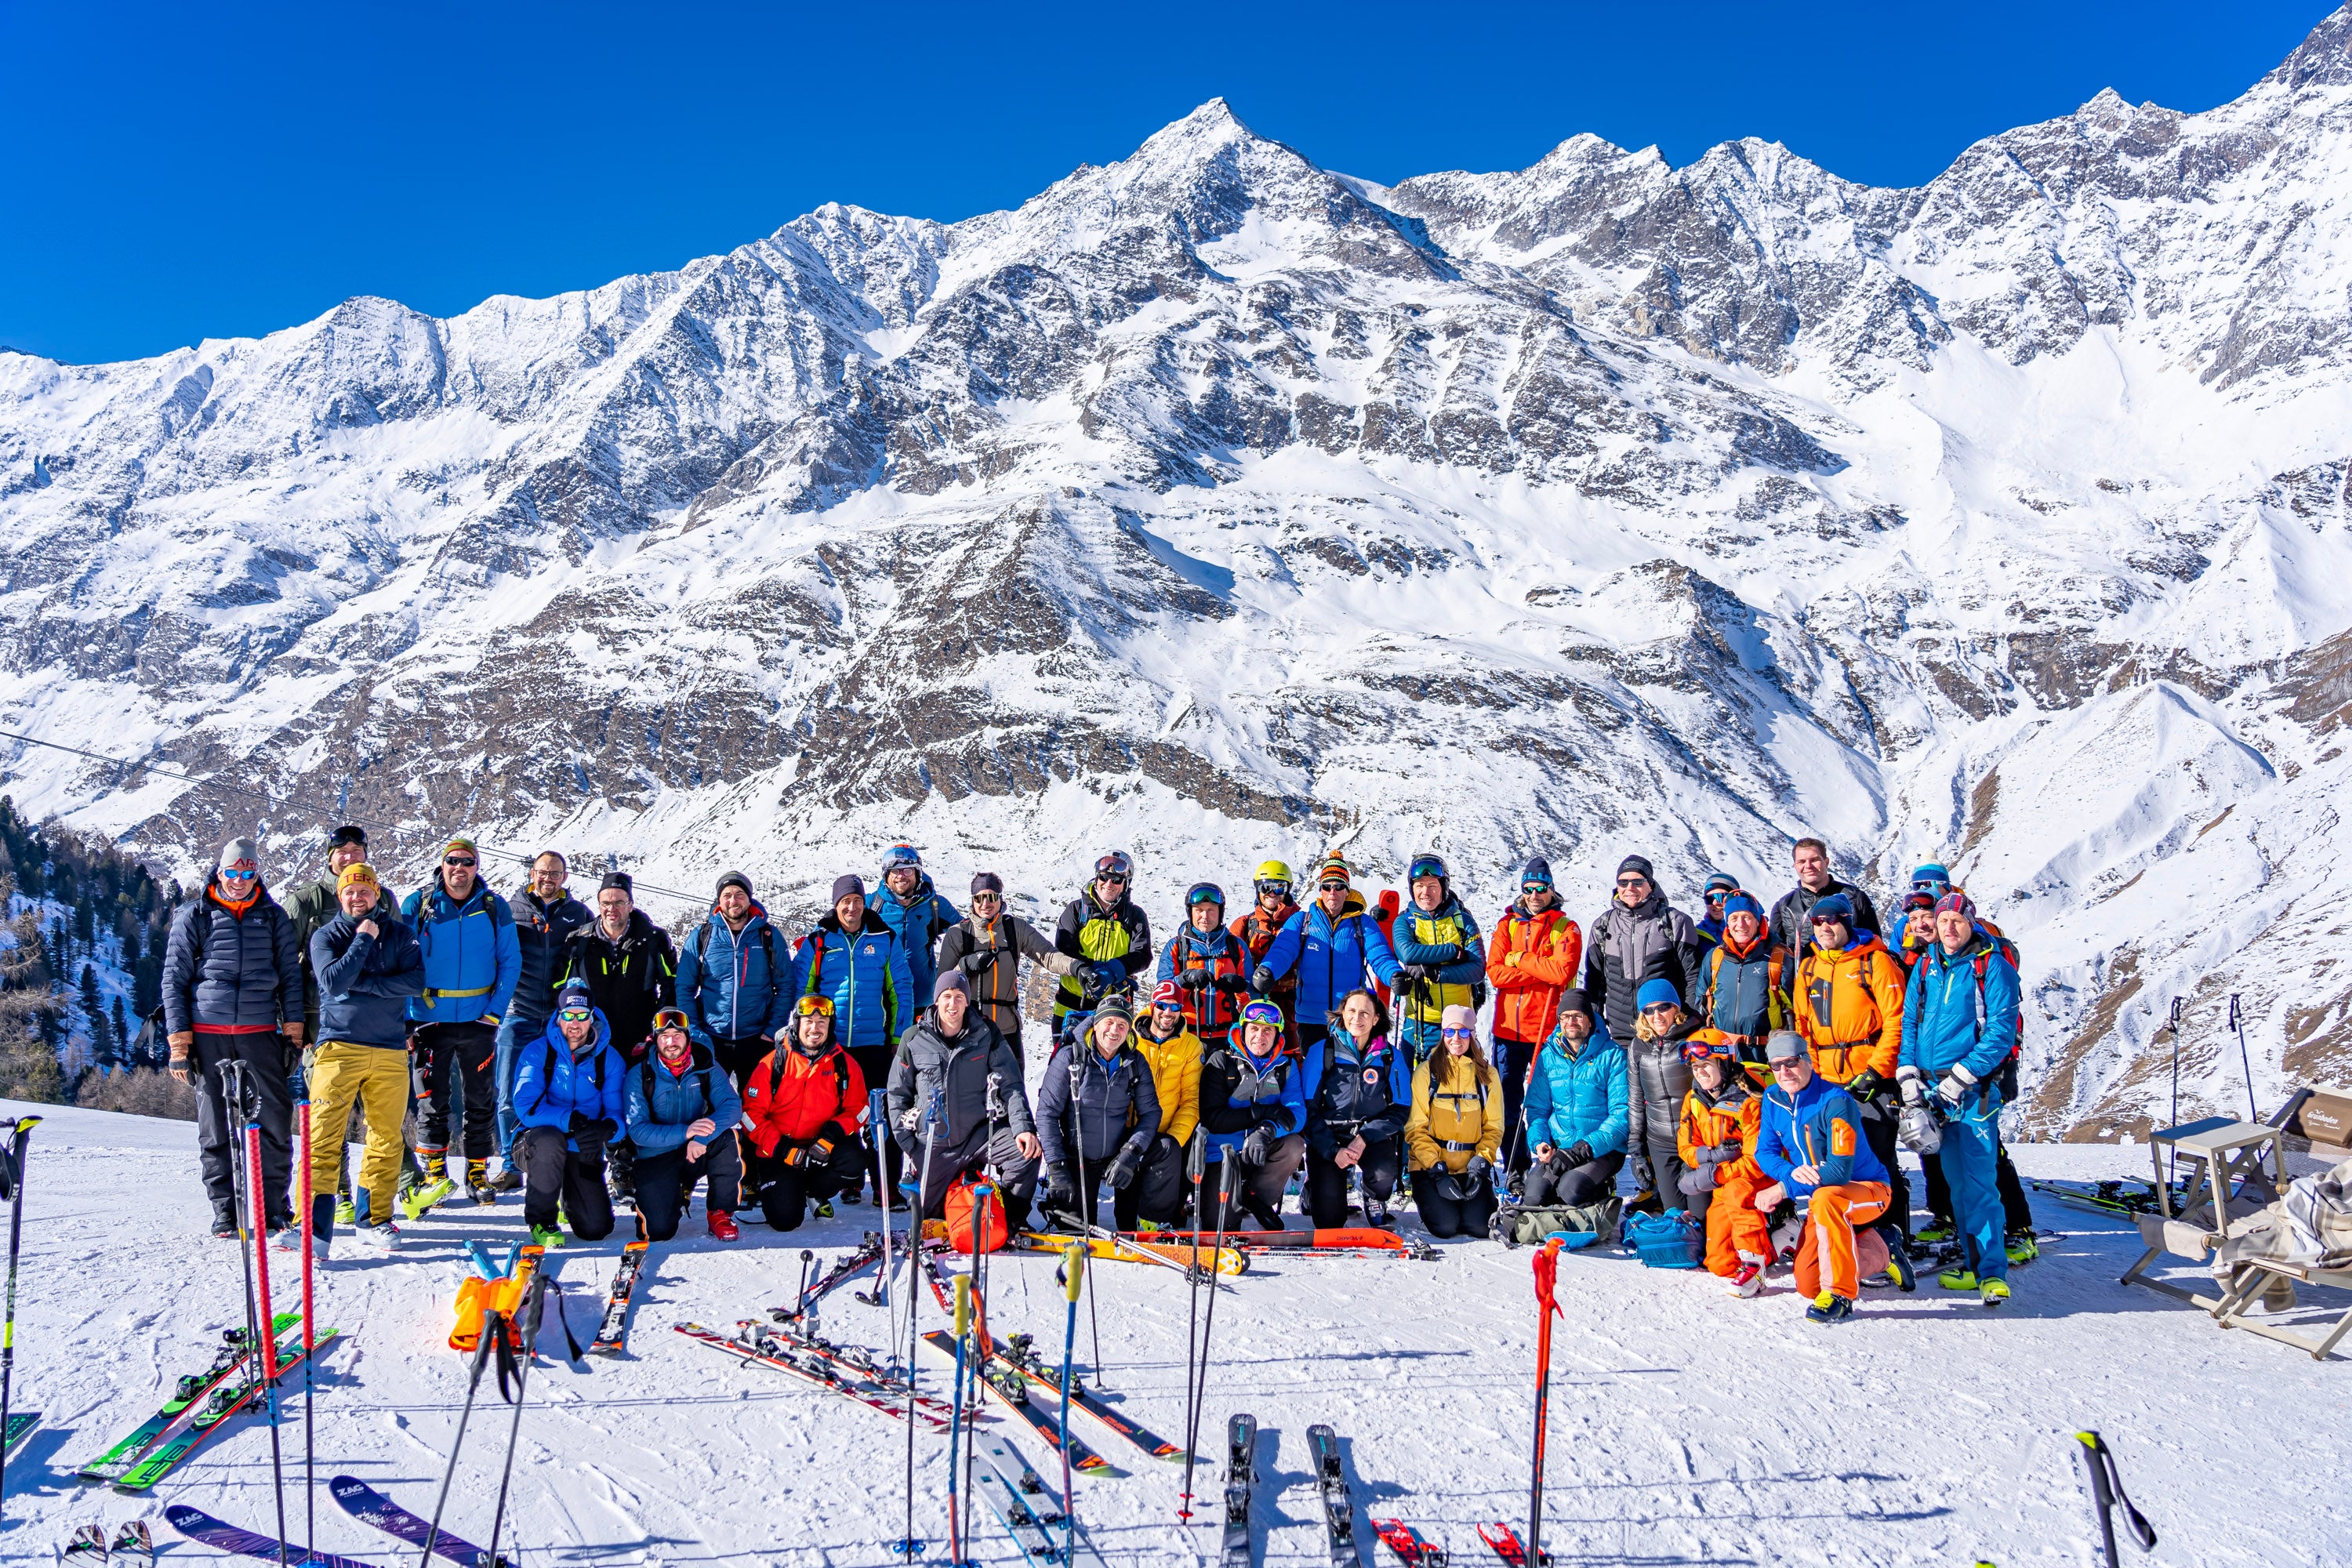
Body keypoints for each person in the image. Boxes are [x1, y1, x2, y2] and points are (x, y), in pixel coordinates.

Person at [165, 836, 303, 1240]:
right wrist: (179, 1043)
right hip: (208, 1032)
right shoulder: (194, 915)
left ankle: (274, 1210)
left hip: (260, 1031)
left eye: (248, 873)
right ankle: (225, 1211)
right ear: (219, 871)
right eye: (232, 872)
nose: (240, 880)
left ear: (256, 873)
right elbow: (174, 979)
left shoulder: (273, 916)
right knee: (215, 1125)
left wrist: (293, 1030)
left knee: (275, 1122)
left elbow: (290, 977)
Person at [1900, 892, 2020, 1306]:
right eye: (1943, 919)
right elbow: (1909, 1025)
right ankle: (1972, 1265)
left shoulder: (1992, 967)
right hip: (1931, 1089)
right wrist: (1907, 1075)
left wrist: (1961, 1078)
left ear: (1971, 923)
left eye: (1957, 921)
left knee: (1979, 1183)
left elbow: (2001, 1033)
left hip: (1973, 1094)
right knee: (1955, 1184)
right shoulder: (1927, 965)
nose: (1949, 928)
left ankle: (1991, 1274)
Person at [299, 862, 423, 1255]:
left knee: (387, 1138)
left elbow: (416, 983)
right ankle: (314, 1228)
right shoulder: (326, 935)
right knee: (322, 1138)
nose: (358, 897)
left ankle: (374, 1219)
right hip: (338, 1048)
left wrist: (363, 983)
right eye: (350, 891)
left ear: (377, 894)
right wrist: (362, 941)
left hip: (389, 1050)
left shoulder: (402, 934)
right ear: (340, 895)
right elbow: (333, 982)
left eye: (365, 890)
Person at [1789, 891, 1914, 1265]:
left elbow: (1896, 1021)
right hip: (1826, 1078)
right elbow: (1802, 1024)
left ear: (1846, 921)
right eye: (1817, 922)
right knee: (1832, 1160)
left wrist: (1877, 1069)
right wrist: (1811, 1072)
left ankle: (1891, 1235)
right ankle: (1847, 1236)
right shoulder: (1809, 969)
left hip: (1869, 1076)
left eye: (1831, 920)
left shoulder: (1876, 962)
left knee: (1876, 1158)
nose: (1824, 927)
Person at [401, 837, 521, 1207]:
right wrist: (406, 1018)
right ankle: (436, 1175)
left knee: (481, 1099)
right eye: (453, 860)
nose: (460, 868)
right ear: (442, 864)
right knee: (431, 1101)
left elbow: (510, 961)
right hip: (426, 1020)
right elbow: (399, 960)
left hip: (478, 1021)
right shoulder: (418, 904)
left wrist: (495, 1013)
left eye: (467, 862)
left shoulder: (492, 907)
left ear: (476, 866)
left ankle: (476, 1172)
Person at [1753, 1029, 1893, 1325]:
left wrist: (1784, 1187)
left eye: (1790, 1062)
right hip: (1822, 1198)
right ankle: (1882, 1250)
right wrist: (1789, 1171)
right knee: (1807, 1284)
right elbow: (1764, 1152)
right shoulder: (1772, 1098)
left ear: (1807, 1061)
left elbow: (1839, 1173)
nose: (1784, 1072)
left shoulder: (1835, 1101)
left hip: (1869, 1190)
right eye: (1776, 1066)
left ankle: (1841, 1295)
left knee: (1828, 1197)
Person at [887, 972, 1043, 1221]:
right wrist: (912, 1147)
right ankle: (958, 1185)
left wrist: (1023, 1128)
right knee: (933, 1219)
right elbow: (897, 1096)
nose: (953, 1004)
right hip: (934, 1144)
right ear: (936, 1000)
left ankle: (1009, 1219)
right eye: (946, 996)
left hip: (978, 1134)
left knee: (1026, 1155)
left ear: (967, 1001)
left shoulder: (986, 1033)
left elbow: (1011, 1085)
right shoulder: (914, 1038)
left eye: (959, 997)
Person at [798, 873, 915, 1200]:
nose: (852, 907)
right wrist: (801, 1036)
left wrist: (897, 1037)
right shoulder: (819, 941)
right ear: (836, 905)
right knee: (837, 1114)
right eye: (845, 902)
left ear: (865, 903)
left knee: (882, 1116)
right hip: (831, 1048)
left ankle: (886, 1187)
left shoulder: (884, 939)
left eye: (857, 901)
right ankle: (848, 1180)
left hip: (873, 1046)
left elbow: (900, 991)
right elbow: (802, 993)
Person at [501, 851, 593, 1193]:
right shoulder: (511, 910)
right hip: (518, 1011)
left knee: (560, 1092)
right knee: (510, 1090)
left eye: (555, 873)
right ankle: (511, 1166)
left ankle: (556, 1160)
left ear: (564, 877)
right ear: (532, 873)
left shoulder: (579, 914)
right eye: (543, 872)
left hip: (558, 1019)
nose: (548, 879)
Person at [510, 980, 626, 1247]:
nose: (575, 1023)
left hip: (581, 1146)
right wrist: (569, 1118)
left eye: (582, 1016)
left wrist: (606, 1129)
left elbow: (618, 1115)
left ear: (592, 1017)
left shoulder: (609, 1059)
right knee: (551, 1142)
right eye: (569, 1016)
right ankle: (542, 1220)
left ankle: (567, 1193)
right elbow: (527, 1107)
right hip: (536, 1141)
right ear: (559, 1017)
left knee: (596, 1228)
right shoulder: (538, 1052)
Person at [1035, 993, 1165, 1230]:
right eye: (1109, 1022)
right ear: (1096, 1025)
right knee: (1077, 1227)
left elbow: (1151, 1113)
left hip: (1117, 1152)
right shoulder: (1071, 1058)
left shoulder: (1135, 1062)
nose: (1114, 1031)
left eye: (1122, 1025)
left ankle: (1139, 1223)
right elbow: (1047, 1113)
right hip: (1077, 1154)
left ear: (1129, 1031)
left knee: (1129, 1223)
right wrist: (1057, 1167)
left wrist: (1131, 1152)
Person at [740, 996, 870, 1230]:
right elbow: (750, 1116)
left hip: (821, 1147)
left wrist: (830, 1137)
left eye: (822, 1022)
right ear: (797, 1024)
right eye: (809, 1021)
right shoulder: (772, 1063)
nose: (815, 1028)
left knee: (855, 1160)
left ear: (831, 1026)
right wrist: (782, 1149)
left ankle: (814, 1191)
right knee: (784, 1221)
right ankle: (789, 1188)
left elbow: (860, 1109)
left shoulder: (844, 1064)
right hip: (780, 1150)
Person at [1485, 857, 1581, 1174]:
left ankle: (1550, 1165)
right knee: (1509, 1105)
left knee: (1548, 1104)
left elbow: (1563, 971)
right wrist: (1539, 969)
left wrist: (1519, 958)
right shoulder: (1507, 924)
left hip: (1548, 1032)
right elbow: (1496, 975)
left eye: (1541, 888)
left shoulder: (1566, 928)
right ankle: (1515, 1167)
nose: (1535, 895)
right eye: (1529, 888)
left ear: (1551, 890)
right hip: (1507, 1032)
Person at [625, 1007, 746, 1243]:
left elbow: (732, 1106)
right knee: (658, 1231)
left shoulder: (704, 1064)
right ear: (655, 1040)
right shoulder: (640, 1074)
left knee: (726, 1138)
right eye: (664, 1036)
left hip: (696, 1148)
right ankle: (672, 1193)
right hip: (656, 1155)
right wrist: (686, 1132)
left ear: (688, 1037)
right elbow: (638, 1131)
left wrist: (702, 1137)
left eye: (677, 1035)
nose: (671, 1042)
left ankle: (720, 1212)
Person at [935, 872, 1082, 1056]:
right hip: (968, 1028)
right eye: (979, 898)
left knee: (1013, 1084)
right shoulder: (958, 934)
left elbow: (1048, 956)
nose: (985, 904)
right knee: (972, 1085)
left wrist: (1077, 967)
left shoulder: (1015, 928)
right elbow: (942, 985)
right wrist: (963, 966)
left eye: (990, 897)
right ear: (972, 901)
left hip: (1007, 1029)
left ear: (1000, 898)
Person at [677, 869, 797, 1096]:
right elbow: (684, 987)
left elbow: (785, 986)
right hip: (711, 1038)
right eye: (727, 894)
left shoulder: (768, 936)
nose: (733, 900)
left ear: (749, 899)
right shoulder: (703, 936)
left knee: (755, 1107)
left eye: (740, 894)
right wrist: (693, 1030)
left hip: (756, 1039)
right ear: (719, 900)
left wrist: (772, 1031)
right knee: (706, 1106)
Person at [1197, 999, 1308, 1231]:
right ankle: (1232, 1198)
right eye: (1254, 1028)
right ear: (1242, 1030)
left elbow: (1296, 1113)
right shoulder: (1222, 1061)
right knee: (1221, 1227)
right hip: (1223, 1153)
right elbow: (1212, 1118)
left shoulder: (1285, 1067)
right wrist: (1262, 1113)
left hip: (1261, 1151)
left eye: (1268, 1030)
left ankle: (1256, 1196)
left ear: (1277, 1035)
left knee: (1294, 1145)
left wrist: (1267, 1130)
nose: (1260, 1036)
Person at [1305, 988, 1410, 1229]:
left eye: (1365, 1013)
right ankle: (1315, 1187)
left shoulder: (1390, 1057)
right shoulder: (1323, 1051)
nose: (1357, 1018)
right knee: (1329, 1221)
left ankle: (1373, 1196)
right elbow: (1308, 1109)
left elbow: (1401, 1108)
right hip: (1328, 1136)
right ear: (1342, 1014)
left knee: (1383, 1176)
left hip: (1369, 1135)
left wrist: (1365, 1137)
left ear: (1375, 1019)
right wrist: (1333, 1151)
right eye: (1351, 1011)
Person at [1676, 1033, 1772, 1294]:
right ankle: (1775, 1240)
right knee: (1719, 1263)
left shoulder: (1749, 1099)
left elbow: (1757, 1160)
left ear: (1724, 1063)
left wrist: (1718, 1174)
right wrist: (1712, 1157)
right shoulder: (1693, 1100)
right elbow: (1686, 1148)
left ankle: (1755, 1264)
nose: (1701, 1072)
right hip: (1723, 1179)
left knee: (1735, 1192)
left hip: (1754, 1180)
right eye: (1695, 1067)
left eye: (1706, 1064)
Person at [1518, 989, 1628, 1209]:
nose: (1571, 1021)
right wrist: (1540, 1142)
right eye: (1565, 1016)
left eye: (1578, 1015)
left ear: (1589, 1019)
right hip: (1560, 1147)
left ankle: (1603, 1187)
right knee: (1534, 1199)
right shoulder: (1548, 1056)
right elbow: (1538, 1111)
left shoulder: (1612, 1055)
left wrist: (1582, 1149)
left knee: (1570, 1191)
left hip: (1600, 1148)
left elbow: (1621, 1115)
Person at [1581, 854, 1701, 1053]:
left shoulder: (1675, 922)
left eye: (1637, 882)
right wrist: (1596, 1020)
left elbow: (1693, 975)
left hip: (1667, 1031)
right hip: (1621, 1034)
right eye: (1623, 882)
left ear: (1650, 885)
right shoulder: (1603, 926)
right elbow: (1594, 981)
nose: (1629, 888)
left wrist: (1687, 1019)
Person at [1290, 858, 1403, 1069]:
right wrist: (1267, 971)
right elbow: (1282, 951)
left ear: (1347, 891)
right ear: (1321, 891)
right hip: (1311, 1019)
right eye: (1327, 886)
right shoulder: (1302, 922)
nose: (1333, 892)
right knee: (1312, 1076)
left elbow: (1380, 956)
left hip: (1350, 1020)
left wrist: (1395, 975)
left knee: (1345, 1077)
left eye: (1339, 886)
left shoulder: (1362, 923)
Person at [1403, 1004, 1503, 1238]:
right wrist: (1436, 1169)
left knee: (1479, 1227)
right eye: (1450, 1032)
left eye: (1463, 1032)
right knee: (1446, 1226)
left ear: (1472, 1035)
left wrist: (1481, 1162)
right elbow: (1415, 1128)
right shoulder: (1426, 1074)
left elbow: (1494, 1126)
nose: (1456, 1038)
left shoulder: (1487, 1076)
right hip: (1432, 1167)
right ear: (1443, 1034)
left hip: (1469, 1167)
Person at [1389, 855, 1486, 1061]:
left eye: (1432, 885)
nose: (1426, 892)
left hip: (1460, 1025)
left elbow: (1477, 970)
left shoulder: (1463, 922)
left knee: (1461, 1087)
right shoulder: (1405, 922)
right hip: (1419, 1023)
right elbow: (1407, 952)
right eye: (1419, 886)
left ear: (1444, 887)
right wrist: (1452, 951)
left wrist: (1436, 973)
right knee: (1415, 1089)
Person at [1053, 851, 1153, 1030]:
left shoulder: (1134, 916)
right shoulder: (1077, 910)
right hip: (1071, 1006)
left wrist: (1113, 971)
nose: (1109, 884)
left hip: (1115, 1009)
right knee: (1066, 1057)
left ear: (1126, 883)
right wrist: (1087, 970)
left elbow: (1142, 955)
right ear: (1096, 878)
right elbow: (1063, 949)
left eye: (1116, 880)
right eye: (1104, 877)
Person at [1131, 982, 1204, 1227]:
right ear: (1153, 1006)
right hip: (1131, 1133)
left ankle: (1158, 1221)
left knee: (1170, 1149)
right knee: (1124, 1217)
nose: (1168, 1012)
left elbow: (1192, 1101)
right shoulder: (1130, 1038)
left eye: (1175, 1007)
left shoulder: (1191, 1045)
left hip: (1167, 1133)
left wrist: (1174, 1139)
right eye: (1162, 1005)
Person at [1625, 978, 1701, 1211]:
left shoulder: (1695, 1037)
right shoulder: (1638, 1046)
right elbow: (1636, 1101)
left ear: (1675, 1008)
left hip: (1694, 1138)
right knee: (1674, 1212)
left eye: (1663, 1007)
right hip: (1661, 1141)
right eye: (1649, 1010)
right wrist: (1636, 1148)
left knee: (1700, 1215)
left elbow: (1709, 1095)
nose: (1656, 1015)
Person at [1769, 839, 1884, 988]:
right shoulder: (1785, 907)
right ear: (1795, 866)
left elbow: (1875, 945)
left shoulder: (1854, 898)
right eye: (1802, 861)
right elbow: (1775, 956)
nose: (1808, 866)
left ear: (1826, 861)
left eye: (1815, 860)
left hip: (1850, 986)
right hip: (1803, 989)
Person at [1699, 891, 1788, 1082]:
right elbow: (1701, 1002)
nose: (1741, 925)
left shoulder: (1779, 958)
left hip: (1765, 1057)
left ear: (1758, 920)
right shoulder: (1715, 958)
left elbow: (1796, 1011)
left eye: (1747, 917)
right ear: (1727, 923)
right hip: (1724, 1056)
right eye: (1734, 918)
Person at [1157, 883, 1252, 1041]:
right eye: (1199, 910)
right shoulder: (1176, 947)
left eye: (1211, 910)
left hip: (1229, 1036)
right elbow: (1162, 995)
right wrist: (1183, 980)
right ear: (1191, 912)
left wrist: (1240, 986)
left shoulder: (1236, 947)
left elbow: (1253, 995)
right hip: (1185, 1037)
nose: (1205, 917)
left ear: (1220, 912)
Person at [870, 844, 958, 1010]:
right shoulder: (873, 905)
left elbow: (966, 931)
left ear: (918, 873)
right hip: (882, 1004)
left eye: (908, 870)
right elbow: (842, 923)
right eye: (895, 871)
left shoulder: (935, 905)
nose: (901, 876)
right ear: (886, 876)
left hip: (922, 1002)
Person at [1229, 860, 1305, 1041]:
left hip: (1292, 1007)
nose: (1272, 893)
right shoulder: (1246, 925)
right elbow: (1228, 961)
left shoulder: (1304, 923)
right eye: (1266, 887)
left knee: (1294, 1055)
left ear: (1288, 890)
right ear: (1257, 889)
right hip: (1254, 1006)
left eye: (1279, 887)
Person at [1694, 871, 1739, 949]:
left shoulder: (1749, 931)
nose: (1715, 903)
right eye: (1709, 899)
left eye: (1720, 897)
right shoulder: (1695, 935)